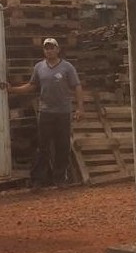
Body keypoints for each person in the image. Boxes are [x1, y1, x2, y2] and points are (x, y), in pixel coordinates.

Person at [5, 37, 84, 188]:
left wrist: (80, 108)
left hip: (63, 112)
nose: (49, 51)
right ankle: (38, 180)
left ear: (58, 50)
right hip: (46, 112)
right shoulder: (39, 67)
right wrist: (12, 89)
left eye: (52, 48)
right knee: (43, 147)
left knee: (62, 146)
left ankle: (60, 179)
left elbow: (77, 86)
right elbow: (31, 85)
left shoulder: (67, 67)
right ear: (44, 51)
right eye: (46, 48)